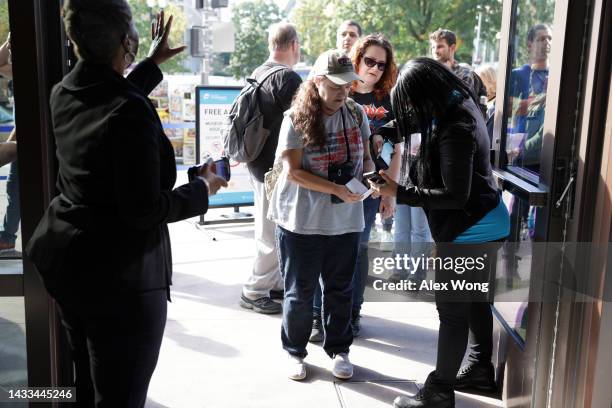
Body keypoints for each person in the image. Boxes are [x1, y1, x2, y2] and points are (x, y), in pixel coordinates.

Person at [25, 1, 227, 406]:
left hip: (67, 260)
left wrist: (150, 63)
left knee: (83, 381)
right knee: (121, 395)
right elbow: (144, 210)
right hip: (119, 280)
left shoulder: (62, 92)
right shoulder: (129, 110)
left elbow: (109, 98)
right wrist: (203, 189)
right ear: (125, 41)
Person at [369, 58, 509, 408]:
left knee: (452, 313)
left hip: (470, 231)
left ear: (425, 95)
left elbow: (454, 196)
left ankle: (439, 392)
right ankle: (478, 369)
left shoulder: (454, 129)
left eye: (411, 101)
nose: (410, 109)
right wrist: (389, 128)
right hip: (486, 221)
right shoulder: (456, 105)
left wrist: (396, 192)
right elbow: (418, 120)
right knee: (477, 302)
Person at [268, 49, 373, 381]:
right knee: (300, 292)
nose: (344, 92)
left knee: (341, 290)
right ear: (317, 82)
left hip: (346, 220)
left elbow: (368, 159)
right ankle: (294, 352)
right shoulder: (295, 117)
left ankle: (340, 350)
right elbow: (293, 172)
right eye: (337, 85)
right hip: (301, 220)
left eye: (348, 85)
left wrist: (370, 179)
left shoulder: (357, 114)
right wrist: (338, 190)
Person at [310, 33, 400, 342]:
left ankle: (352, 313)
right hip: (329, 185)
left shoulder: (388, 99)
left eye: (381, 64)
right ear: (357, 58)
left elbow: (394, 148)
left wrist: (390, 192)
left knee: (357, 252)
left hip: (369, 189)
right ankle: (317, 316)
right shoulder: (338, 90)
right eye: (369, 61)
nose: (374, 68)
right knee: (324, 250)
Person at [239, 22, 302, 314]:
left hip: (256, 162)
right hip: (273, 168)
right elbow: (305, 119)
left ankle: (273, 282)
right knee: (270, 232)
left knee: (268, 228)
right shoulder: (287, 78)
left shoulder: (258, 72)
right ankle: (254, 290)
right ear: (294, 46)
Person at [429, 28, 487, 116]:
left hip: (456, 127)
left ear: (452, 48)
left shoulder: (466, 75)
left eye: (440, 46)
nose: (435, 51)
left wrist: (447, 75)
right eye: (433, 47)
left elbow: (458, 106)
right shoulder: (429, 74)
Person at [0, 33, 19, 253]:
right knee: (14, 188)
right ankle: (7, 235)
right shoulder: (19, 70)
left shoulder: (30, 70)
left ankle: (7, 236)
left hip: (31, 136)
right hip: (23, 133)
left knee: (15, 187)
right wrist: (9, 42)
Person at [475, 64, 497, 143]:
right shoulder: (479, 101)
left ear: (492, 82)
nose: (477, 86)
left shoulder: (496, 105)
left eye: (481, 83)